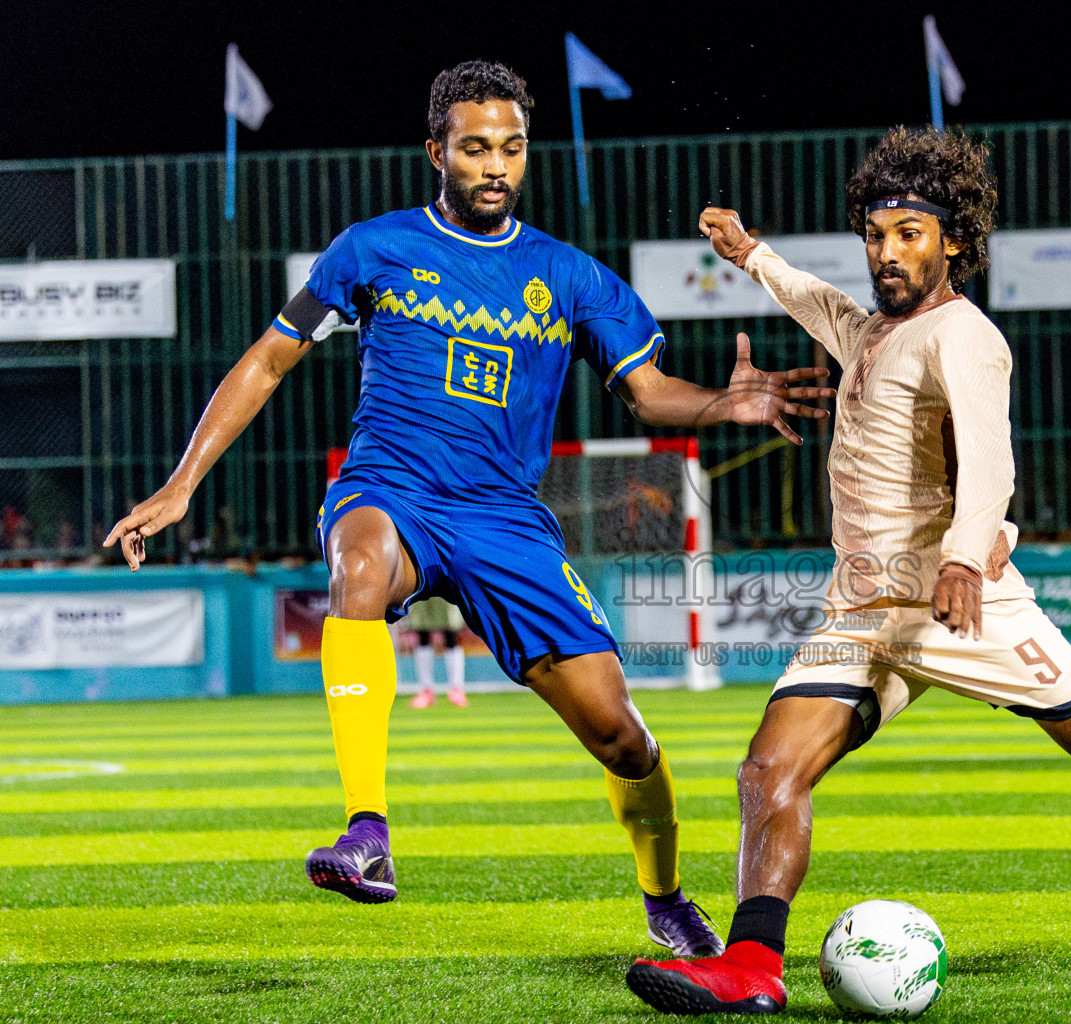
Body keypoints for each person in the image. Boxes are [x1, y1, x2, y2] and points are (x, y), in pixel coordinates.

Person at [103, 60, 833, 958]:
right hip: (391, 489)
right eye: (476, 147)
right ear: (436, 152)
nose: (496, 164)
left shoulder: (570, 277)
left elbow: (645, 393)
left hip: (504, 519)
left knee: (624, 738)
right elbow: (264, 362)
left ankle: (666, 896)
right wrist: (180, 487)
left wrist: (722, 404)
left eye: (513, 148)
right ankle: (367, 832)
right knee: (358, 564)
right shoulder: (371, 250)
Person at [625, 127, 1071, 1015]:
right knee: (770, 771)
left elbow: (993, 460)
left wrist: (966, 554)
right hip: (861, 610)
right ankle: (751, 966)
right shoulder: (878, 333)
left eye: (910, 235)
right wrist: (750, 255)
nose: (888, 253)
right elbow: (820, 305)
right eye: (877, 235)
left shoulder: (963, 337)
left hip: (956, 602)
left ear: (953, 239)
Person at [404, 596, 469, 708]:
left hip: (444, 584)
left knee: (451, 634)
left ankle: (456, 689)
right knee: (422, 633)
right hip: (423, 584)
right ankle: (426, 691)